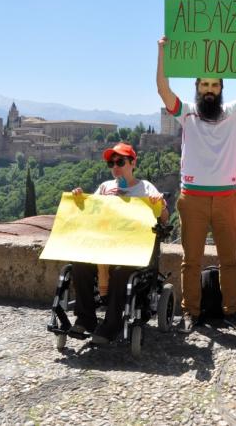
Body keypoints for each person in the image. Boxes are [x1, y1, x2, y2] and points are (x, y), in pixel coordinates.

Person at [156, 34, 236, 332]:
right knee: (190, 260)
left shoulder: (233, 113)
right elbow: (162, 88)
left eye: (214, 85)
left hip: (226, 198)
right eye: (204, 85)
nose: (209, 90)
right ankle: (190, 313)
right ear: (197, 88)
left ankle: (231, 311)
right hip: (192, 198)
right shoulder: (186, 113)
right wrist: (162, 53)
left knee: (229, 260)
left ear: (221, 89)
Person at [69, 142, 168, 345]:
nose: (115, 166)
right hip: (106, 244)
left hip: (134, 247)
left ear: (133, 163)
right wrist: (80, 198)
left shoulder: (145, 187)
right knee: (79, 265)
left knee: (123, 271)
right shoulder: (105, 187)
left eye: (120, 162)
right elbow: (90, 212)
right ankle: (85, 318)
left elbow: (164, 218)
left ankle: (111, 324)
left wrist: (159, 204)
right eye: (111, 163)